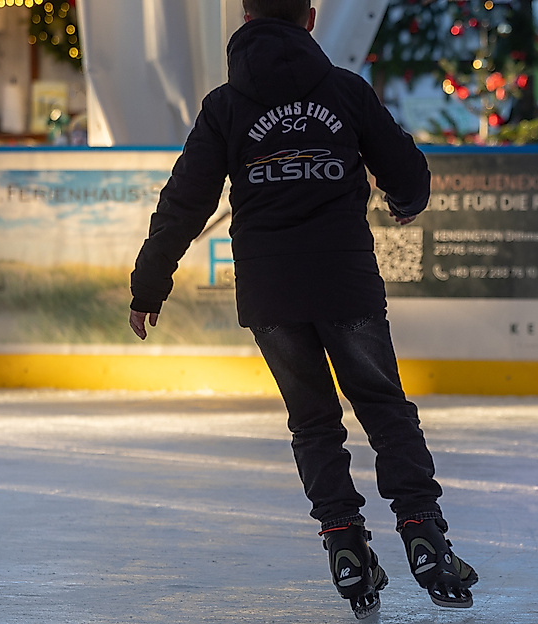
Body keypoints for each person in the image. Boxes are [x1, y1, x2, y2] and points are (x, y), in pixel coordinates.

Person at [127, 0, 477, 617]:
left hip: (271, 294)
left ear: (243, 17)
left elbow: (183, 201)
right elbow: (408, 171)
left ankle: (344, 546)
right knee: (384, 408)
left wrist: (149, 284)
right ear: (311, 19)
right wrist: (405, 197)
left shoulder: (226, 106)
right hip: (345, 281)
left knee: (313, 421)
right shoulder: (345, 92)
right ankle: (423, 536)